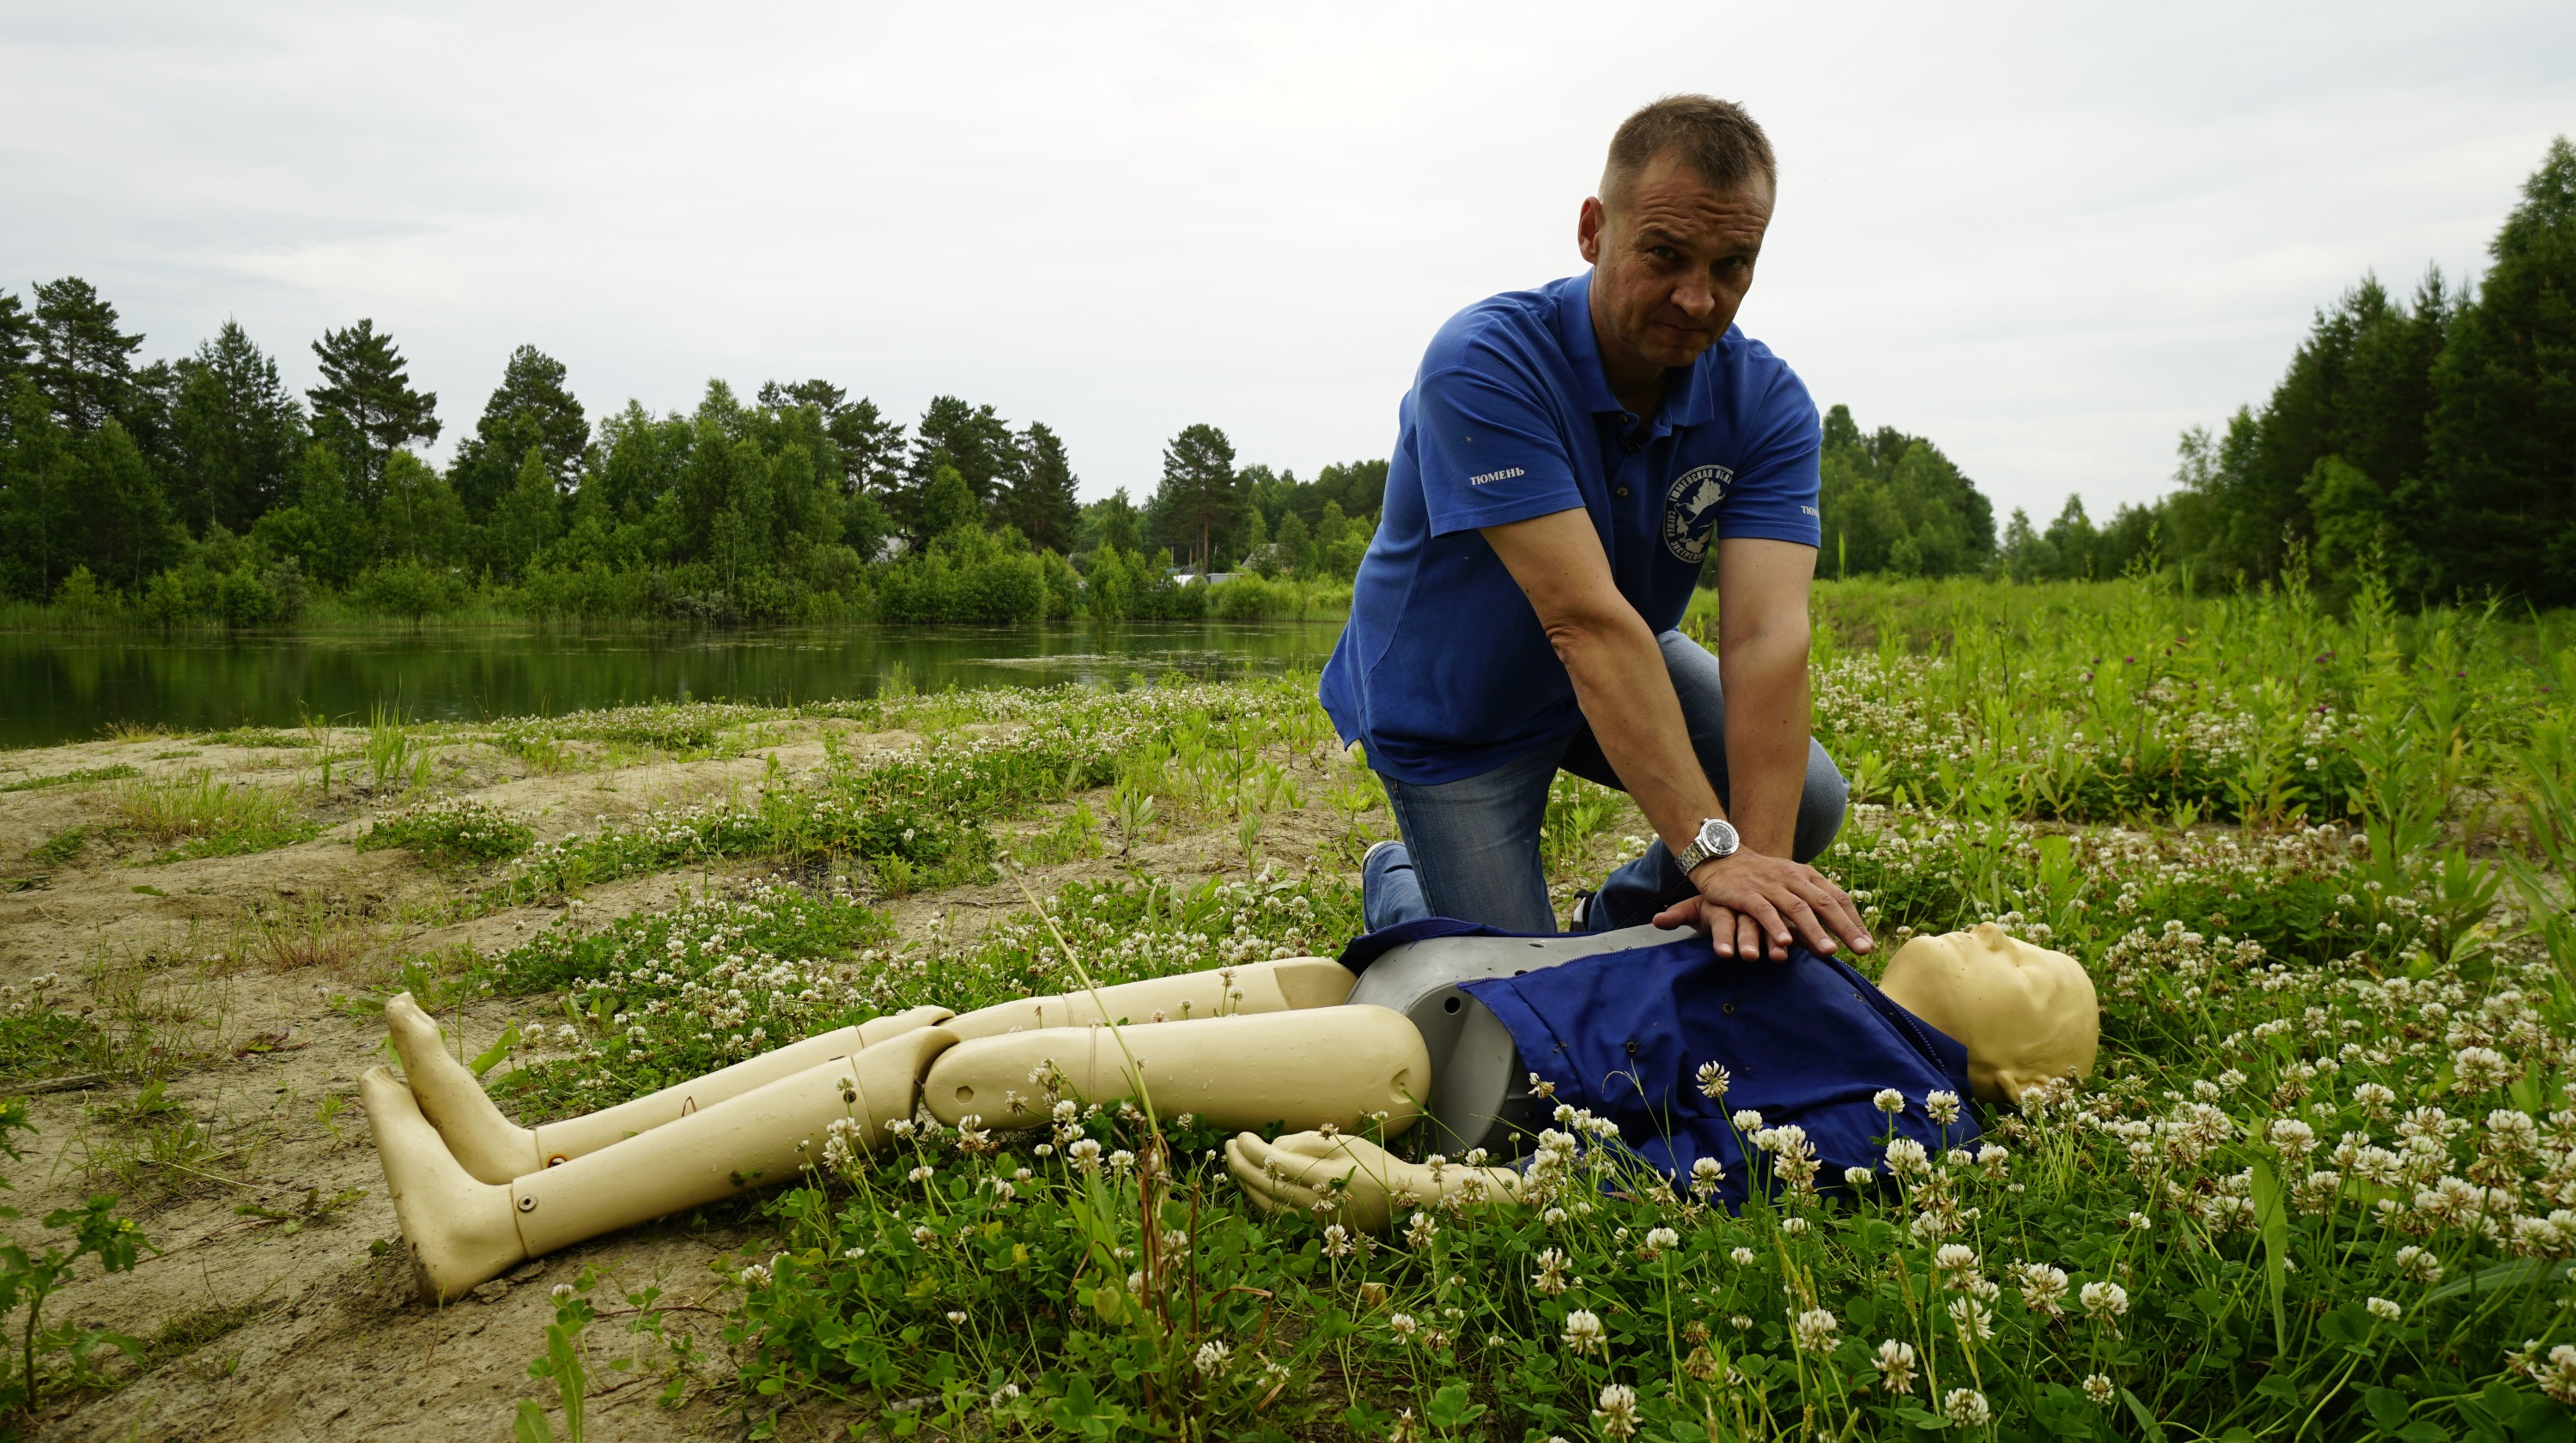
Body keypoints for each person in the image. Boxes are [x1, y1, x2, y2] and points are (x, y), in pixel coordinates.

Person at [362, 924, 2093, 1300]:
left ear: (2015, 1073)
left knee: (961, 1084)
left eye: (2040, 967)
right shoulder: (1833, 946)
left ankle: (498, 1227)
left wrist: (1428, 1199)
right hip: (1384, 985)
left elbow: (1690, 1182)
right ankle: (539, 1148)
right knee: (937, 1019)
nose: (2008, 937)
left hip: (1442, 1071)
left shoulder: (1910, 1107)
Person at [1320, 94, 1870, 963]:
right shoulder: (1486, 361)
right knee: (1513, 1005)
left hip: (1617, 662)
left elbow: (1768, 635)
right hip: (1454, 704)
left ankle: (1612, 932)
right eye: (1664, 253)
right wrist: (1712, 853)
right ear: (1592, 230)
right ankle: (1404, 883)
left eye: (1733, 263)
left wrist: (1753, 868)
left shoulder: (1766, 401)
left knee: (1804, 798)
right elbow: (1582, 620)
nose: (1698, 298)